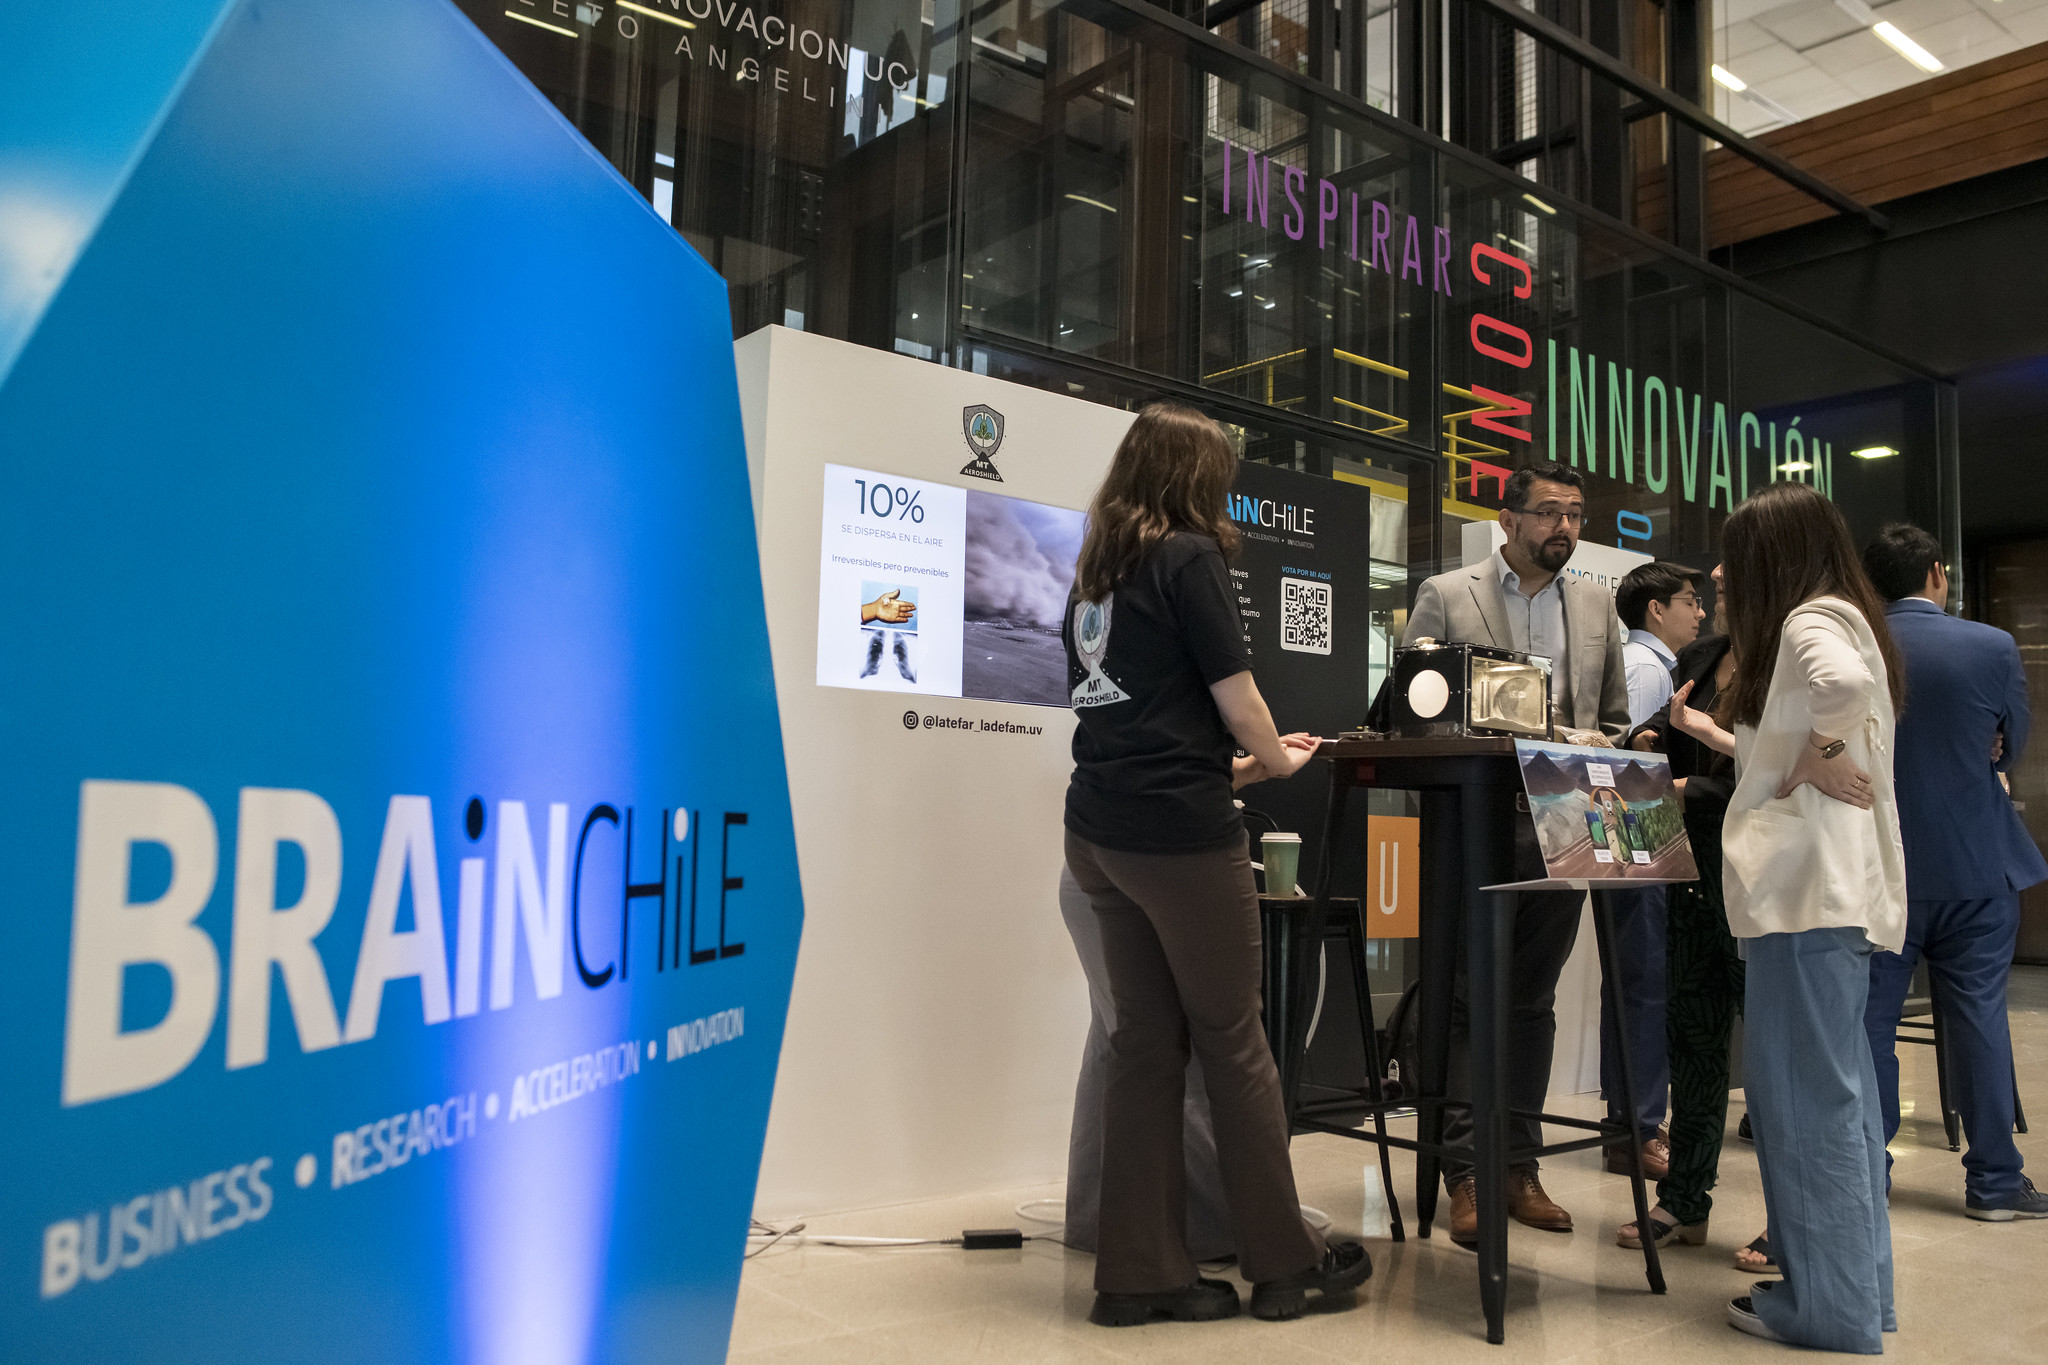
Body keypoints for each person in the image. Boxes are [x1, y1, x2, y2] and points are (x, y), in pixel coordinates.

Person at [1061, 401, 1370, 1327]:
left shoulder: (1096, 573)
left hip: (1099, 832)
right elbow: (1239, 703)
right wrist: (1277, 759)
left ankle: (1138, 1275)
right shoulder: (1190, 557)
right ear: (1198, 477)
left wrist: (1237, 765)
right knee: (1236, 1042)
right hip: (1180, 841)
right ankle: (1283, 1264)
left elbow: (1130, 721)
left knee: (1143, 1045)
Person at [1666, 482, 1905, 1352]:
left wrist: (1819, 749)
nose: (1721, 576)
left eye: (1735, 557)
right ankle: (1857, 1296)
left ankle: (1824, 1308)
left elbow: (1836, 691)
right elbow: (1807, 724)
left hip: (1804, 899)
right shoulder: (1848, 614)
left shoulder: (1809, 621)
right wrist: (1777, 746)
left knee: (1804, 1107)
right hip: (1834, 898)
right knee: (1839, 1100)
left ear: (1776, 556)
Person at [1403, 460, 1631, 1245]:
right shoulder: (1447, 594)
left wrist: (1605, 746)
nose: (1564, 526)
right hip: (1474, 818)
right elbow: (1414, 713)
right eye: (1548, 511)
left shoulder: (1597, 605)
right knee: (1468, 995)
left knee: (1533, 998)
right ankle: (1465, 1172)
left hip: (1565, 819)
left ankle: (1518, 1167)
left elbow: (1615, 719)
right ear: (1508, 519)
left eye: (1575, 513)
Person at [1860, 523, 2048, 1220]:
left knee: (1870, 1026)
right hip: (1975, 862)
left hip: (1879, 868)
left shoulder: (1857, 645)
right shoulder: (1992, 645)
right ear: (1937, 573)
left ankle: (1868, 1176)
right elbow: (2010, 746)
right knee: (1979, 1021)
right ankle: (1995, 1182)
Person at [1614, 579, 1752, 1264]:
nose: (1716, 585)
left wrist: (1688, 788)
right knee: (1693, 1044)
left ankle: (1794, 1218)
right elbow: (1663, 731)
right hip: (1691, 876)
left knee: (1778, 1060)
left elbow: (1782, 768)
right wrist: (1644, 738)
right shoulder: (1701, 657)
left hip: (1758, 881)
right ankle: (1686, 1200)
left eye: (1729, 575)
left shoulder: (1793, 660)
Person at [1599, 561, 1707, 1181]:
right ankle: (1635, 1130)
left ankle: (1636, 1124)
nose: (1701, 612)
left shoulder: (1657, 666)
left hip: (1647, 837)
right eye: (1690, 601)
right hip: (1642, 835)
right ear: (1656, 610)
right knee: (1642, 983)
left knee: (1642, 982)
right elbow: (1633, 767)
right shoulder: (1645, 669)